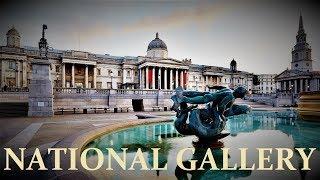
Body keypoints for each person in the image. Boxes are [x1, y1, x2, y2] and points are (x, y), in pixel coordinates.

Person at [171, 86, 250, 139]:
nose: (243, 97)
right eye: (243, 95)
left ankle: (184, 93)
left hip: (210, 95)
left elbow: (220, 87)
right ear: (240, 95)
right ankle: (180, 97)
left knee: (195, 94)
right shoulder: (231, 97)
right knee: (190, 100)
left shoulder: (229, 90)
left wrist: (211, 87)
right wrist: (221, 114)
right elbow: (222, 105)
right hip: (208, 98)